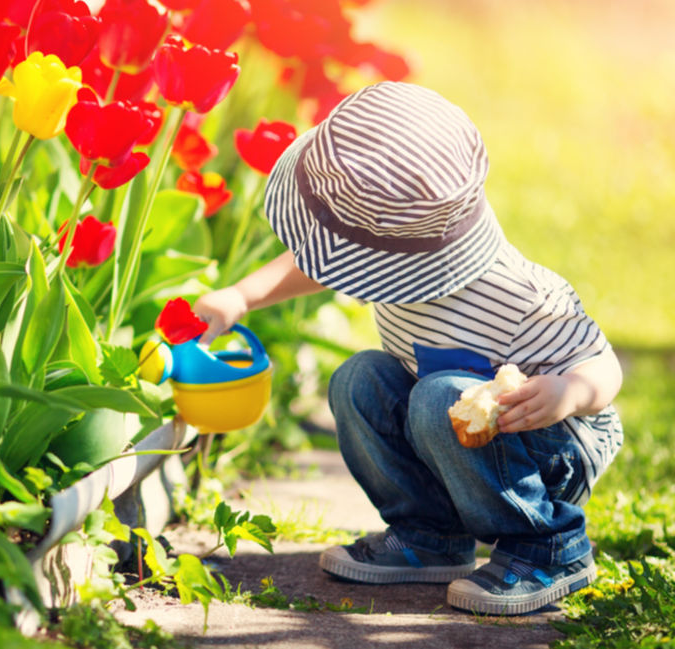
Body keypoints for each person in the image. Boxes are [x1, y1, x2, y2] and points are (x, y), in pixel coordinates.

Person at [193, 81, 623, 616]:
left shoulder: (518, 294)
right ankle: (431, 535)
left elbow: (601, 364)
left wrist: (568, 391)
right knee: (359, 379)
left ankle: (551, 546)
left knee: (438, 396)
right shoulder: (394, 252)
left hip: (553, 444)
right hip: (448, 431)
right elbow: (320, 262)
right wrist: (240, 295)